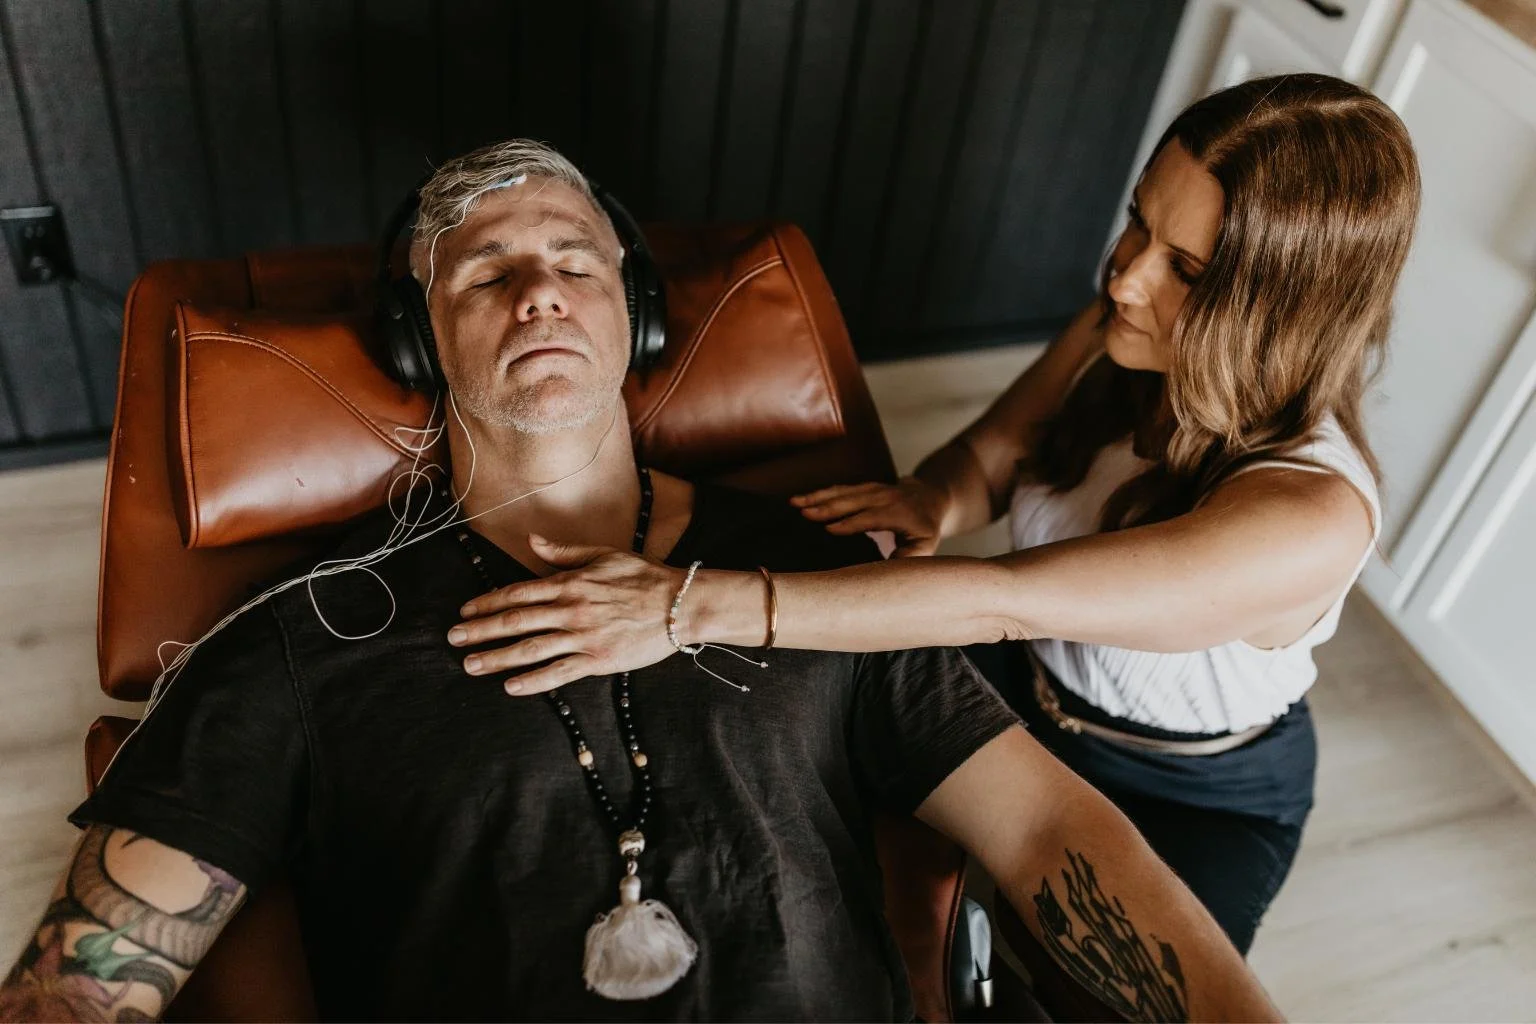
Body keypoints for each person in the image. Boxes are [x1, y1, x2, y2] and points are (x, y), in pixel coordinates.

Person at [0, 139, 1279, 1022]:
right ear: (418, 335)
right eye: (487, 272)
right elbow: (82, 980)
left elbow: (1047, 828)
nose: (540, 292)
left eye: (576, 259)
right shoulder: (299, 636)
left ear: (638, 315)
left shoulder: (821, 572)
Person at [440, 74, 1421, 956]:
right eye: (1138, 222)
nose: (1125, 276)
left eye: (1187, 269)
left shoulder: (1311, 515)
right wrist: (934, 496)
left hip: (1192, 789)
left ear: (1283, 305)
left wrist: (680, 605)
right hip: (1028, 686)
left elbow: (1004, 598)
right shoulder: (1123, 327)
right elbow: (994, 456)